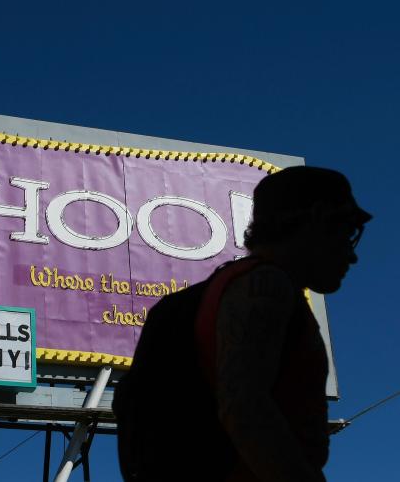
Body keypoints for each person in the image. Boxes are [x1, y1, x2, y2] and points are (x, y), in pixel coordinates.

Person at [114, 166, 371, 481]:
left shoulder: (186, 303)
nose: (352, 255)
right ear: (318, 218)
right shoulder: (267, 286)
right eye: (348, 234)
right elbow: (244, 407)